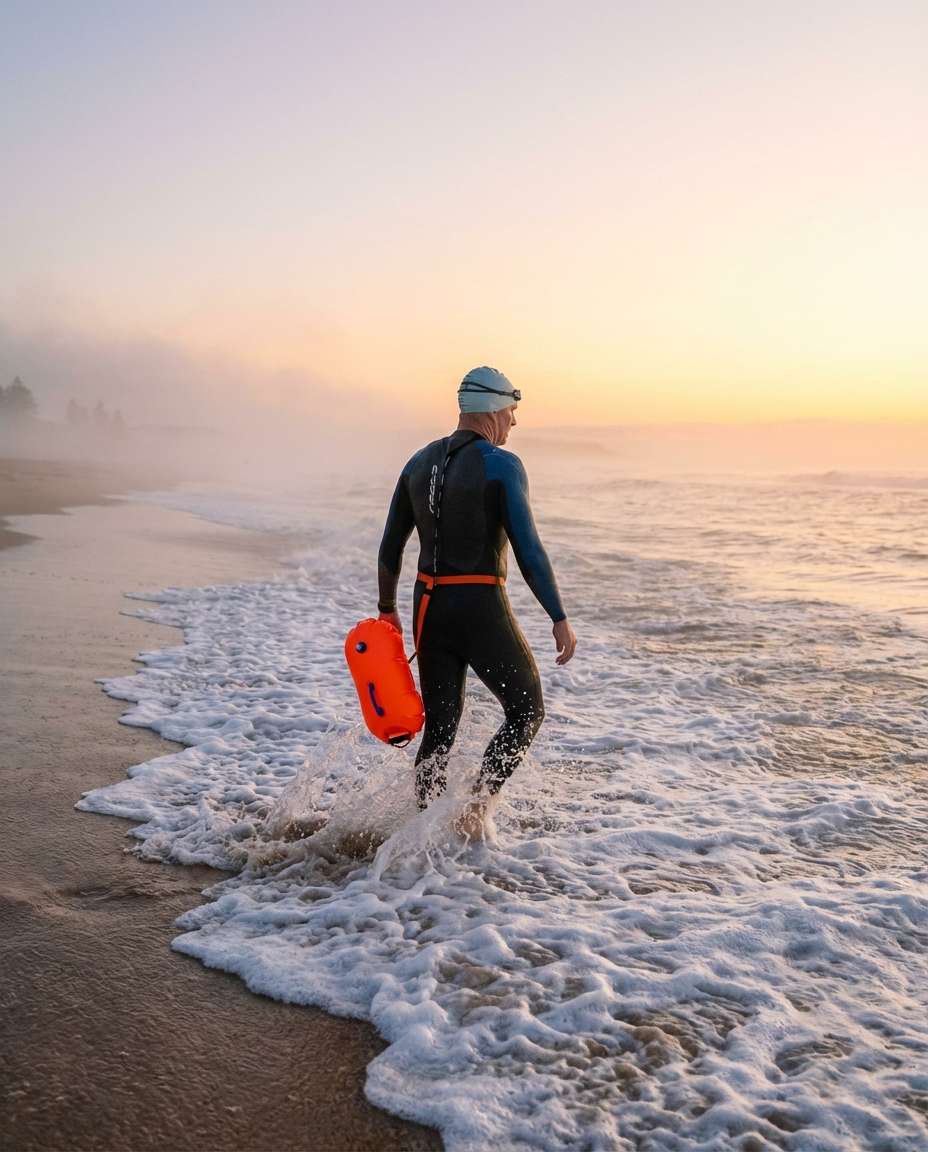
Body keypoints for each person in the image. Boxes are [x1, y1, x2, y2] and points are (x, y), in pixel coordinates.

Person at [377, 366, 577, 837]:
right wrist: (558, 616)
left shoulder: (417, 462)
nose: (514, 422)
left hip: (428, 606)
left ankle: (424, 831)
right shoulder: (503, 465)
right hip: (480, 604)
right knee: (527, 709)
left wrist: (387, 609)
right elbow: (528, 548)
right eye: (512, 410)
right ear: (492, 408)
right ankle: (474, 810)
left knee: (441, 729)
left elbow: (390, 546)